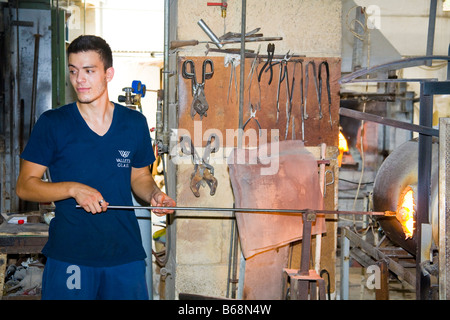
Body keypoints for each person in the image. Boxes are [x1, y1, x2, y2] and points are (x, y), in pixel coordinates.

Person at [16, 35, 175, 300]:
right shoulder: (53, 123)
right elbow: (25, 185)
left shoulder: (134, 123)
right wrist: (73, 189)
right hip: (71, 254)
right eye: (73, 71)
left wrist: (154, 195)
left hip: (125, 253)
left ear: (108, 73)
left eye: (89, 71)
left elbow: (140, 177)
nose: (79, 79)